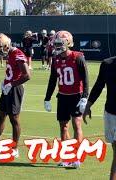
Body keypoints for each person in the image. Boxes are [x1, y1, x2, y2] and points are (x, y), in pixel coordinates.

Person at [44, 30, 89, 168]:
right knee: (63, 127)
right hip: (62, 96)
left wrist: (84, 98)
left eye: (60, 43)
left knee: (77, 125)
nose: (57, 46)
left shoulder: (78, 57)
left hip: (76, 95)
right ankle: (66, 156)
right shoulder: (56, 59)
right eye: (56, 43)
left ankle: (77, 157)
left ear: (68, 43)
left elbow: (86, 79)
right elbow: (52, 80)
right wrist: (47, 98)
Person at [0, 33, 31, 158]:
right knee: (0, 116)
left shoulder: (17, 53)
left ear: (6, 46)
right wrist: (5, 82)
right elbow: (12, 72)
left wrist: (11, 84)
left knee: (14, 119)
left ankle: (14, 148)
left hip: (15, 89)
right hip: (7, 88)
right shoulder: (10, 54)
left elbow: (27, 75)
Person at [83, 56, 116, 180]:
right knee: (114, 149)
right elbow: (99, 85)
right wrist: (88, 106)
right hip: (110, 114)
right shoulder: (107, 63)